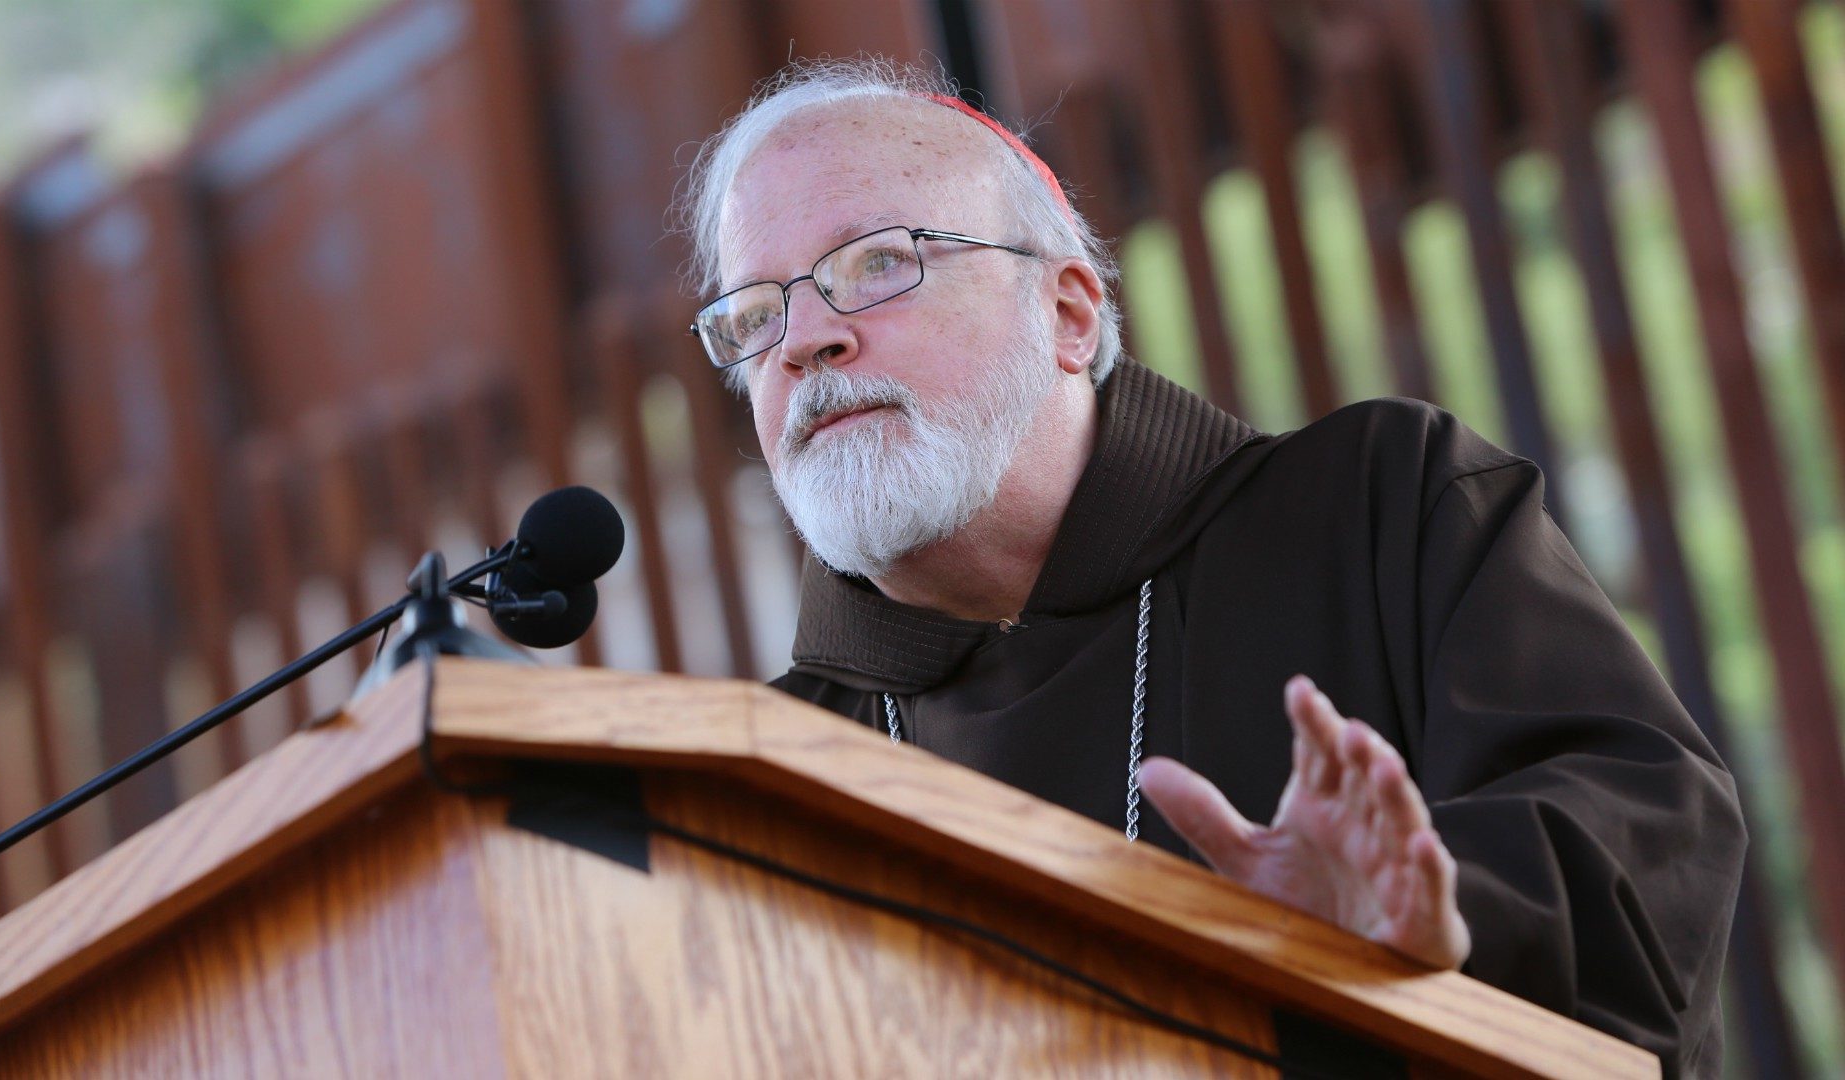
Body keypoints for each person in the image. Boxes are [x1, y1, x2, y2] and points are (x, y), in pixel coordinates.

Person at [676, 59, 1743, 1076]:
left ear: (1066, 312)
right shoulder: (781, 769)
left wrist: (1429, 914)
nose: (804, 341)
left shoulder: (1376, 506)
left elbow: (1649, 823)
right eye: (754, 315)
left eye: (878, 264)